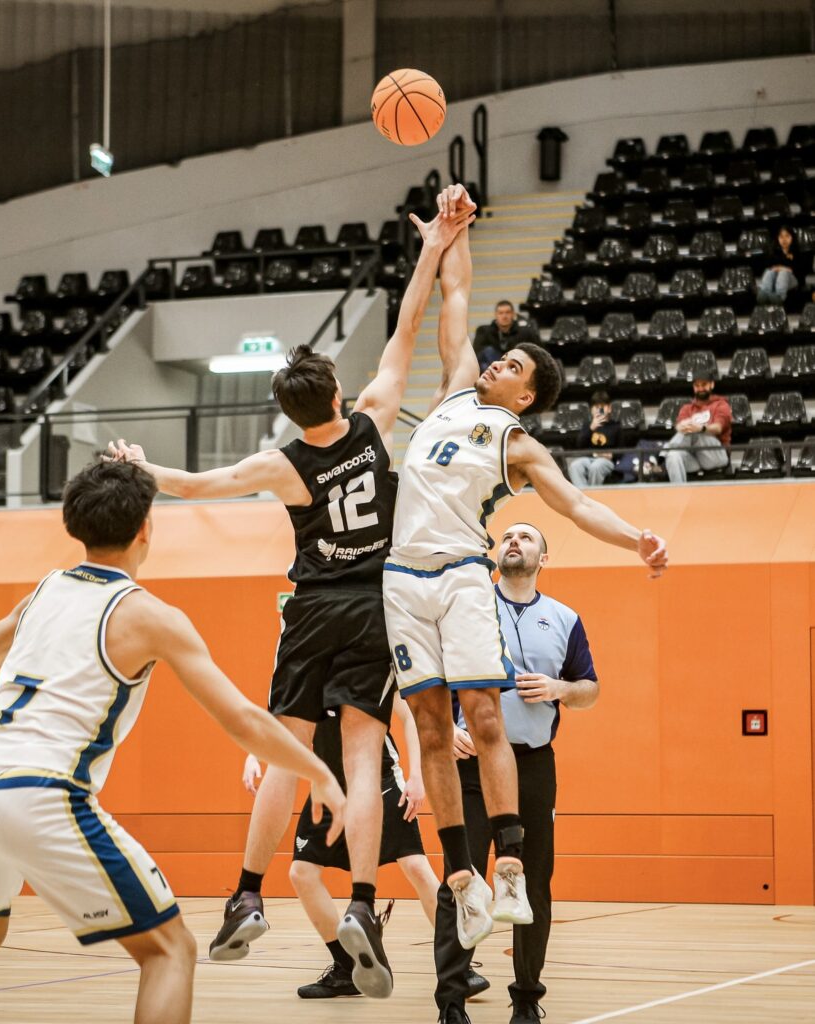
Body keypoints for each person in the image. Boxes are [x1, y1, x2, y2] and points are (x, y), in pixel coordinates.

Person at [109, 204, 474, 1000]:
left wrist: (138, 465)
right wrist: (433, 249)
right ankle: (364, 902)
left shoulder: (281, 466)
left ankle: (246, 894)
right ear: (338, 395)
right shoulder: (373, 422)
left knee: (285, 748)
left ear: (292, 414)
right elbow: (408, 325)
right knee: (362, 754)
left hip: (309, 608)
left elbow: (194, 485)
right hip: (374, 603)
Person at [383, 183, 667, 956]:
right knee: (432, 730)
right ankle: (461, 878)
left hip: (458, 573)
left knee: (482, 718)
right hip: (400, 577)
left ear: (526, 394)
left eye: (510, 365)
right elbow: (456, 293)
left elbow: (575, 506)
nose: (496, 362)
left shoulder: (518, 444)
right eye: (500, 355)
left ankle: (507, 861)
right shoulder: (453, 387)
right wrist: (454, 228)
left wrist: (634, 538)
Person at [0, 460, 345, 1024]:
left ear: (72, 523)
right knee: (170, 950)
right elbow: (243, 720)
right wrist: (320, 772)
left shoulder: (44, 590)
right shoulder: (149, 615)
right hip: (43, 793)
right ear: (145, 529)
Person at [435, 522, 599, 1024]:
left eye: (527, 538)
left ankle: (526, 998)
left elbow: (590, 689)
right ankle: (451, 1002)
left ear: (543, 559)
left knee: (533, 882)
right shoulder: (468, 607)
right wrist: (446, 728)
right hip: (470, 766)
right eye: (508, 535)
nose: (514, 542)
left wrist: (560, 689)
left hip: (533, 767)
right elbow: (430, 679)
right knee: (459, 881)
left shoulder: (565, 618)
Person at [244, 692, 488, 1000]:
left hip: (379, 778)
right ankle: (347, 968)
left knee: (415, 865)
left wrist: (416, 776)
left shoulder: (369, 667)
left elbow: (410, 715)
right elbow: (281, 720)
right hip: (329, 786)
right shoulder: (305, 671)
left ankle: (459, 967)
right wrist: (254, 755)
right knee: (301, 873)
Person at [661, 379, 732, 483]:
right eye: (697, 386)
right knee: (673, 455)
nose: (700, 388)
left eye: (704, 384)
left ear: (712, 384)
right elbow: (679, 427)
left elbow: (718, 428)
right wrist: (682, 427)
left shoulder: (721, 405)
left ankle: (663, 454)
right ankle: (679, 492)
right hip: (694, 458)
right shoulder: (687, 408)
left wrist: (701, 428)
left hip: (716, 455)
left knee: (694, 431)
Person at [568, 390, 622, 488]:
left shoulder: (616, 426)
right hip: (589, 458)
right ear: (591, 410)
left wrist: (611, 455)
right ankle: (583, 493)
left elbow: (621, 450)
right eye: (596, 407)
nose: (599, 410)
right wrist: (591, 428)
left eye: (602, 407)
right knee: (574, 466)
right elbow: (579, 445)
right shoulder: (587, 425)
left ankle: (593, 494)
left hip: (606, 461)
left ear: (609, 408)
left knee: (596, 467)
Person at [473, 300, 539, 372]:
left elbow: (538, 352)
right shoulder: (484, 331)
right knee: (488, 351)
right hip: (492, 368)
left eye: (508, 312)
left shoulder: (525, 332)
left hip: (516, 367)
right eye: (501, 313)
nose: (504, 316)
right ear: (496, 315)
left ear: (513, 314)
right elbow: (477, 355)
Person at [756, 225, 808, 305]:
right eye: (781, 237)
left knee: (783, 273)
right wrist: (780, 268)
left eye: (787, 236)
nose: (784, 240)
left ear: (792, 238)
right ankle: (763, 293)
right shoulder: (774, 252)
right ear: (778, 238)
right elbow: (770, 267)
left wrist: (783, 269)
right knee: (769, 272)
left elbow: (800, 272)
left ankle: (780, 296)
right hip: (775, 279)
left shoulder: (797, 252)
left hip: (793, 280)